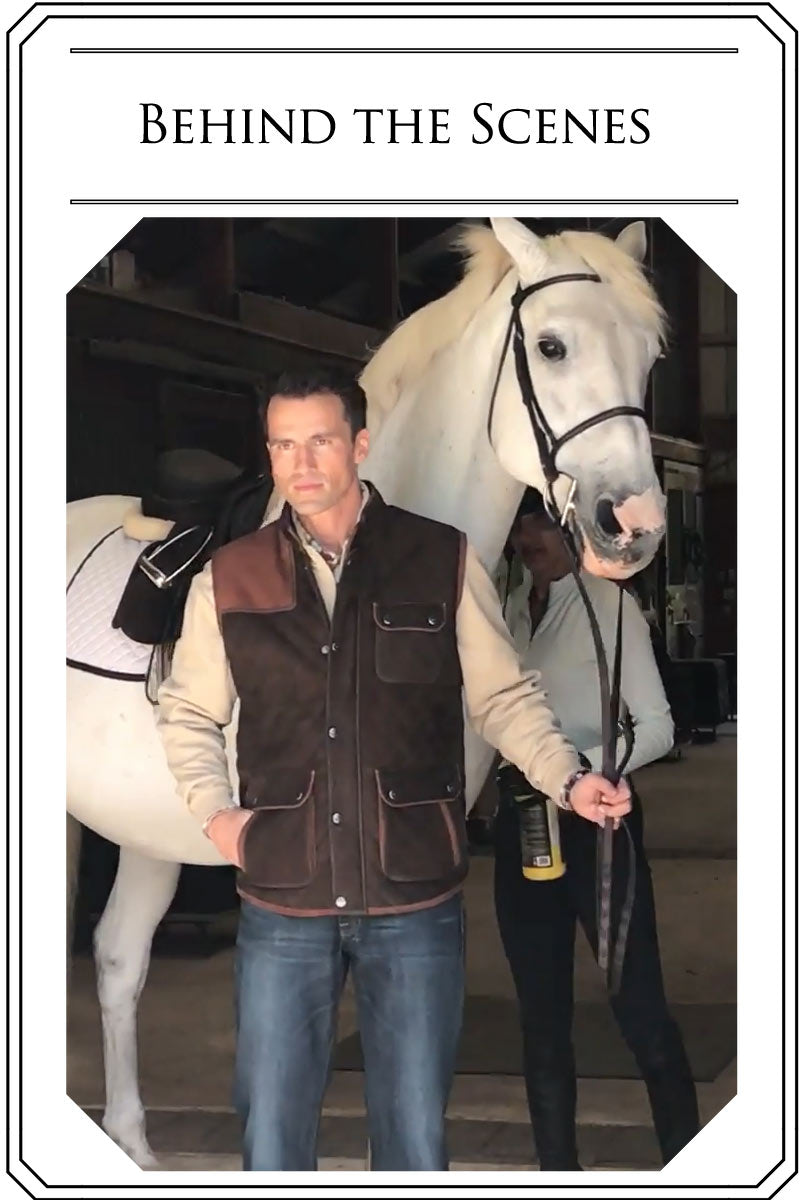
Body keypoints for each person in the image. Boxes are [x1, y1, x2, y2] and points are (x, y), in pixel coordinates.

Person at [156, 368, 631, 1172]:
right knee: (271, 1142)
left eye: (319, 441)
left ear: (360, 445)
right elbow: (188, 712)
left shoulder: (439, 557)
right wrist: (217, 817)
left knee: (414, 1143)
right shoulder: (230, 577)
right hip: (284, 900)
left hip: (415, 900)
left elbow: (503, 697)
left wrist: (569, 778)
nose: (299, 463)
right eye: (282, 445)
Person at [494, 489, 699, 1170]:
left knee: (638, 1007)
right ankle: (559, 1172)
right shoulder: (503, 611)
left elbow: (660, 727)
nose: (530, 538)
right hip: (523, 825)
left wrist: (589, 771)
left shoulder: (609, 607)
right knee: (540, 1018)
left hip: (600, 825)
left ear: (570, 528)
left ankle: (690, 1165)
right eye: (521, 525)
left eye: (543, 525)